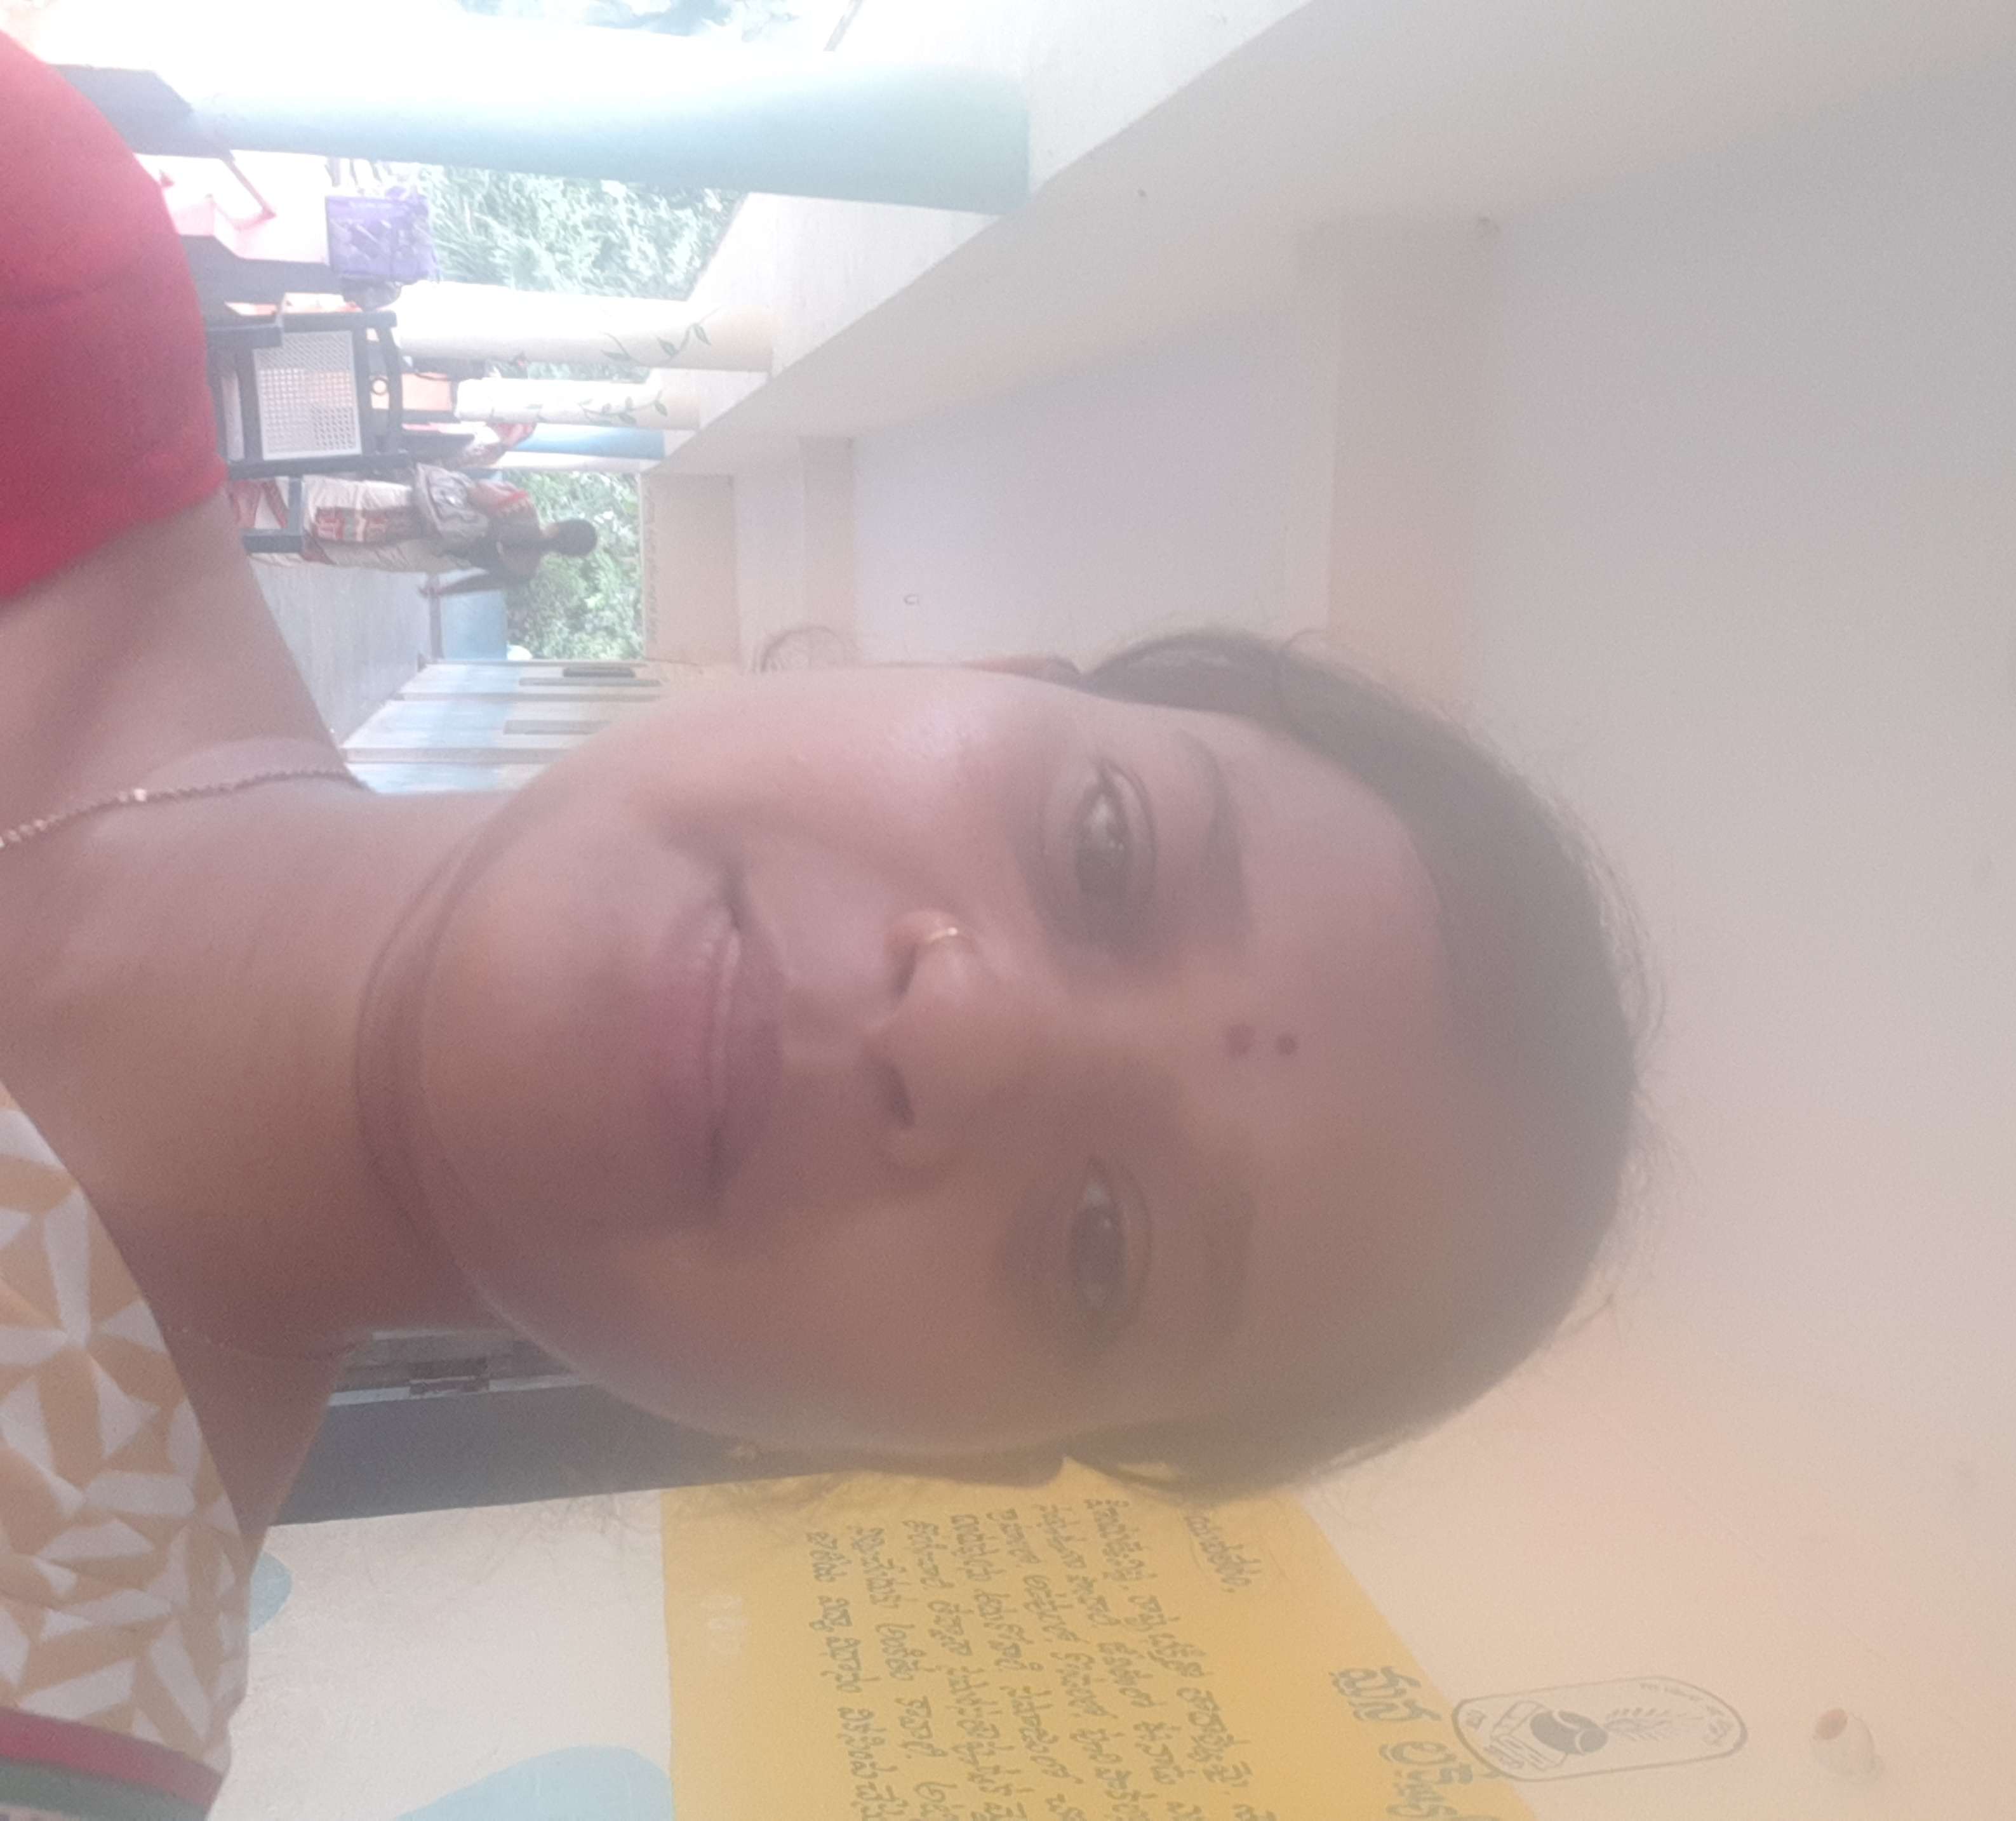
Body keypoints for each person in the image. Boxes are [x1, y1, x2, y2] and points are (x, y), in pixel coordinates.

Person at [0, 37, 1640, 1814]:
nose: (968, 1032)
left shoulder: (51, 1724)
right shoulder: (35, 273)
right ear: (980, 670)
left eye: (1101, 1247)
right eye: (1105, 851)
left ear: (949, 1458)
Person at [243, 468, 599, 597]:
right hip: (432, 556)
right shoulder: (524, 571)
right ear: (566, 554)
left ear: (562, 525)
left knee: (341, 501)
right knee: (344, 552)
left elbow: (475, 492)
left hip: (417, 512)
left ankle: (248, 503)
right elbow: (480, 582)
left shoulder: (522, 507)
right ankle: (254, 541)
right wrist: (442, 591)